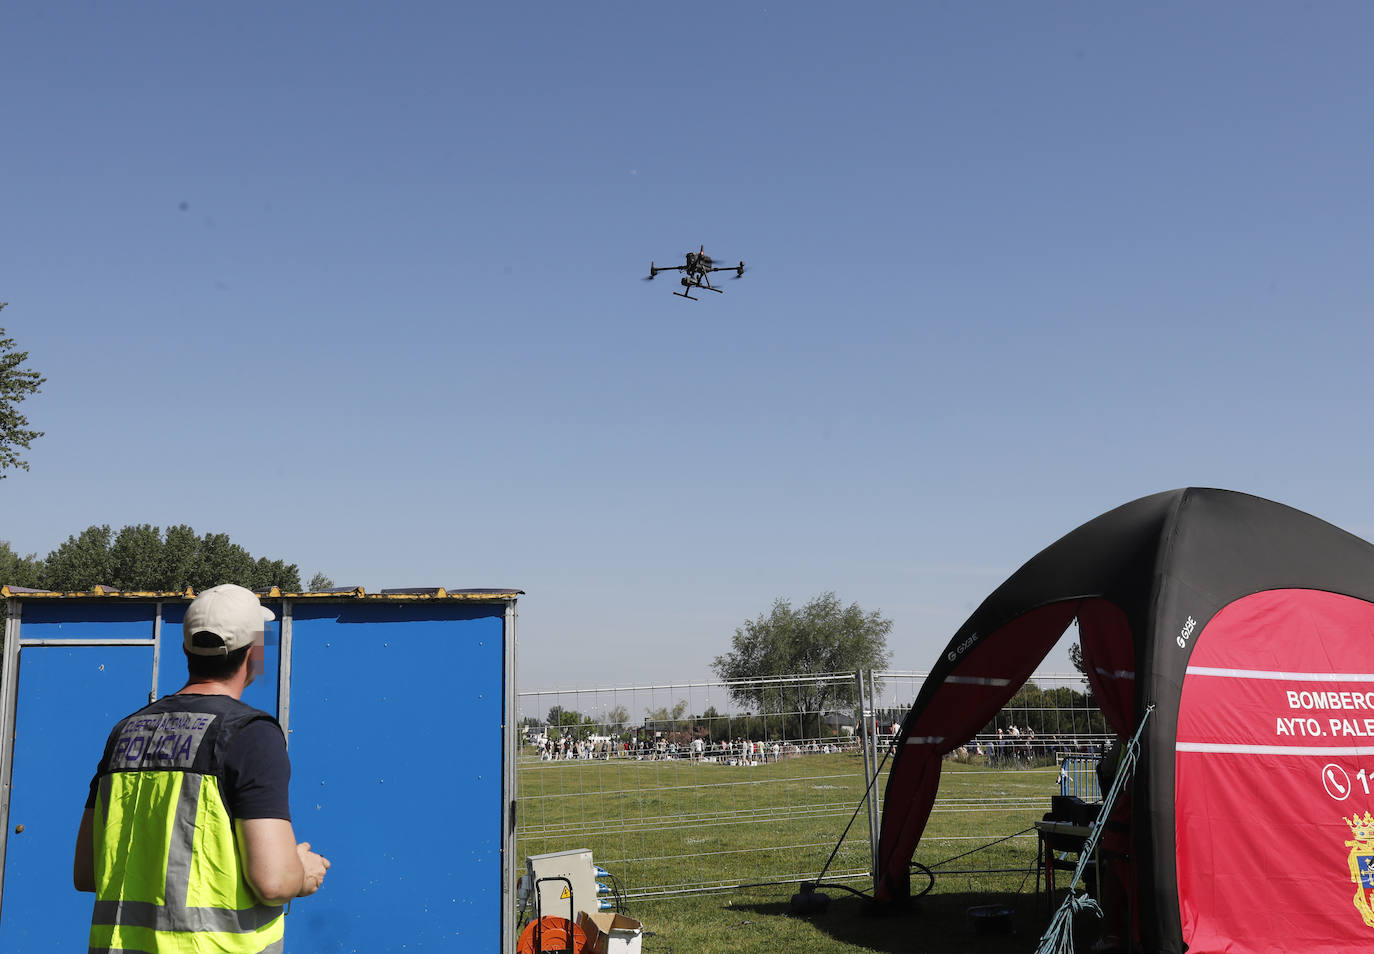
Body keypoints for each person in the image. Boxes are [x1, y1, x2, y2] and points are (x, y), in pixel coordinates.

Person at [73, 583, 330, 953]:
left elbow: (87, 872)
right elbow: (274, 882)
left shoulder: (125, 732)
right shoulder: (250, 735)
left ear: (186, 649)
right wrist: (301, 872)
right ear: (254, 652)